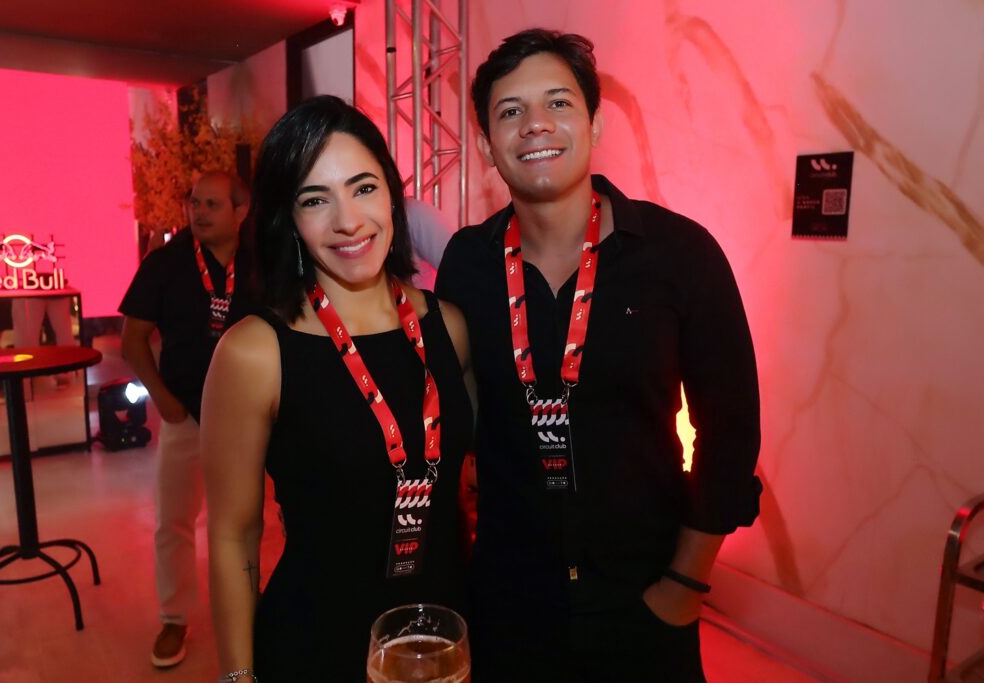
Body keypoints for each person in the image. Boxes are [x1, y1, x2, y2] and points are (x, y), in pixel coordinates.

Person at [435, 29, 762, 682]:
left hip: (643, 600)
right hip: (508, 606)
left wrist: (682, 587)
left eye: (558, 103)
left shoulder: (679, 254)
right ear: (485, 144)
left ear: (595, 123)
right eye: (510, 111)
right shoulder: (467, 263)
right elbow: (456, 415)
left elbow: (731, 433)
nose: (535, 124)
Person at [201, 95, 473, 683]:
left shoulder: (449, 327)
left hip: (443, 641)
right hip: (316, 645)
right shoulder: (256, 352)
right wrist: (238, 677)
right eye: (315, 199)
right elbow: (232, 535)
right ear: (287, 218)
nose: (347, 221)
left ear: (392, 196)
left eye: (363, 188)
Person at [119, 170, 253, 668]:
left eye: (212, 204)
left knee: (243, 519)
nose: (199, 212)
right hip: (184, 413)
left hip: (246, 417)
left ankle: (247, 607)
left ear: (241, 211)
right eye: (196, 202)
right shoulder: (166, 263)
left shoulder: (262, 262)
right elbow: (132, 339)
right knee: (174, 521)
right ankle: (174, 618)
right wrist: (162, 399)